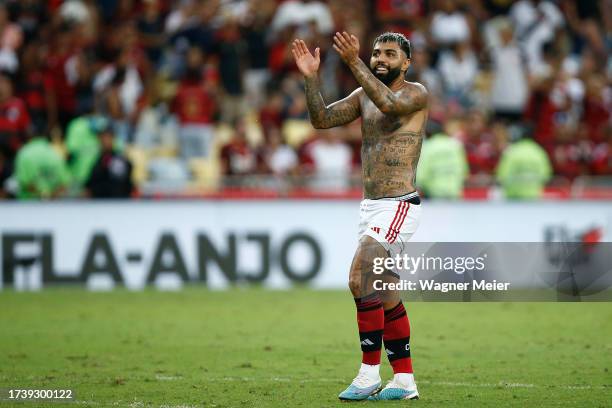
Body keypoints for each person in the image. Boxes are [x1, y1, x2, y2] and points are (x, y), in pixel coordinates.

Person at [293, 31, 427, 401]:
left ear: (406, 62)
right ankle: (404, 380)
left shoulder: (416, 93)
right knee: (383, 293)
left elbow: (388, 104)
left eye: (389, 54)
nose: (379, 58)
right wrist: (310, 78)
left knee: (359, 277)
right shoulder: (362, 95)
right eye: (375, 53)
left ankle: (369, 374)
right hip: (370, 207)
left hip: (398, 203)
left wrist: (353, 61)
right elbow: (321, 119)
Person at [85, 124, 133, 198]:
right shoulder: (95, 159)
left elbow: (122, 184)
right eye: (103, 138)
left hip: (117, 202)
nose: (105, 141)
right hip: (97, 202)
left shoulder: (120, 159)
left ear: (113, 139)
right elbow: (90, 183)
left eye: (108, 137)